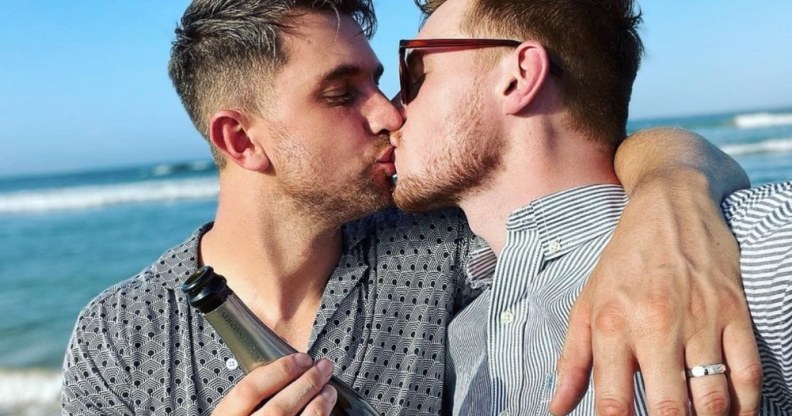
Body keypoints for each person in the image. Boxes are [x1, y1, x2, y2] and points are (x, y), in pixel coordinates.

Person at [61, 0, 757, 415]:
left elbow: (576, 175)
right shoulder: (119, 339)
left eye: (388, 81)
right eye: (341, 94)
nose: (390, 110)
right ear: (240, 139)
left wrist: (671, 191)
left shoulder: (438, 243)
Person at [391, 0, 791, 414]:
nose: (390, 110)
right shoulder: (465, 327)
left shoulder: (726, 253)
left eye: (413, 73)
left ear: (518, 77)